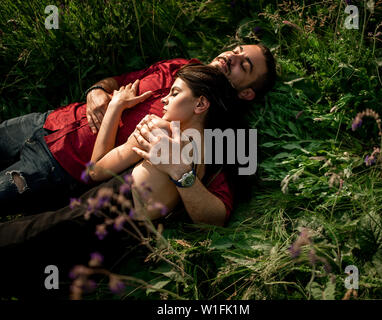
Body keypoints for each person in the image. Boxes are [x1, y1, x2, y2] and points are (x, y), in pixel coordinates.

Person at [0, 64, 240, 300]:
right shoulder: (199, 154)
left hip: (90, 225)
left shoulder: (169, 137)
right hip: (103, 240)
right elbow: (95, 172)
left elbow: (95, 171)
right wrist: (114, 106)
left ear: (200, 104)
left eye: (175, 93)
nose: (165, 100)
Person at [0, 43, 276, 222]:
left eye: (245, 65)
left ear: (247, 92)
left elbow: (217, 214)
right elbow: (118, 81)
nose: (232, 57)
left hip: (58, 168)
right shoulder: (179, 65)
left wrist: (182, 174)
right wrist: (96, 90)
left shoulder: (228, 133)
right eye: (237, 49)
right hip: (49, 121)